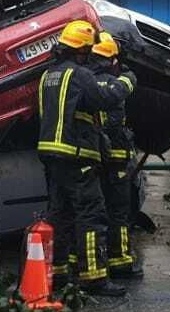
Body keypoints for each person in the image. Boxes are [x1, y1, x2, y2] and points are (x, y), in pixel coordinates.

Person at [36, 20, 129, 297]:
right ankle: (94, 278)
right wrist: (126, 83)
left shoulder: (47, 75)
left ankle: (60, 272)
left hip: (52, 155)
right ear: (82, 50)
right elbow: (104, 99)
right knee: (91, 214)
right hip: (77, 156)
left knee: (59, 214)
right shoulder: (79, 74)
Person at [89, 32, 141, 280]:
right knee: (119, 212)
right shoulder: (118, 82)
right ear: (112, 60)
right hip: (117, 159)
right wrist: (128, 72)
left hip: (93, 159)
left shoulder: (83, 80)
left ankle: (93, 261)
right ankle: (120, 261)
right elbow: (130, 83)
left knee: (93, 213)